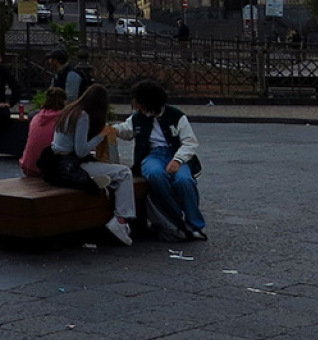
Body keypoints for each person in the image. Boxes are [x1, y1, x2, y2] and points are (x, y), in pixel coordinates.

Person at [37, 84, 134, 245]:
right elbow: (81, 151)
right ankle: (121, 221)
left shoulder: (69, 110)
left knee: (108, 172)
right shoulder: (82, 116)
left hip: (56, 165)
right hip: (70, 165)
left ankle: (96, 180)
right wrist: (101, 135)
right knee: (124, 173)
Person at [115, 79, 204, 240]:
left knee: (184, 180)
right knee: (155, 174)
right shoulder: (137, 118)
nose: (139, 109)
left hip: (176, 153)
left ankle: (194, 224)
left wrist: (178, 160)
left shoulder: (176, 116)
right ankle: (176, 219)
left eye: (141, 105)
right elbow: (125, 130)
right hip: (153, 155)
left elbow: (189, 142)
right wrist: (109, 129)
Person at [19, 88, 66, 179]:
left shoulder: (36, 117)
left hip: (28, 166)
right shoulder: (63, 119)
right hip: (47, 170)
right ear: (64, 102)